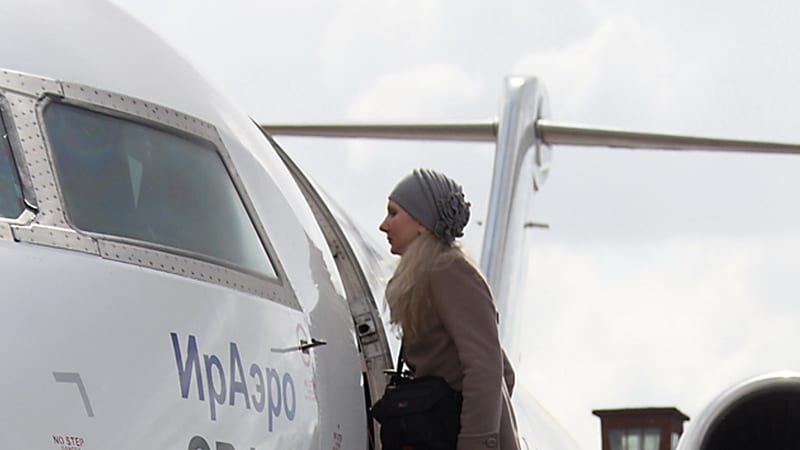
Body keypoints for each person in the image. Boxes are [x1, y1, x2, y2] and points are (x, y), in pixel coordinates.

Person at [379, 168, 521, 450]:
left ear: (421, 223)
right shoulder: (428, 275)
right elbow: (502, 369)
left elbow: (486, 367)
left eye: (393, 213)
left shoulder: (449, 271)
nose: (384, 225)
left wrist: (474, 441)